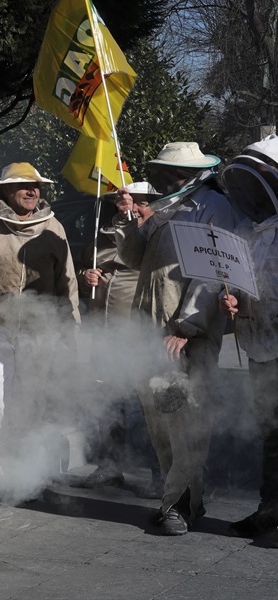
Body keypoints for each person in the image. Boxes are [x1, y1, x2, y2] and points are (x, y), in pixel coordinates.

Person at [113, 141, 241, 536]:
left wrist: (186, 327)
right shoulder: (167, 208)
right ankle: (182, 499)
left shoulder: (213, 209)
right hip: (151, 332)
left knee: (185, 419)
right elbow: (134, 260)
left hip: (184, 338)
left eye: (174, 173)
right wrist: (131, 220)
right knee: (160, 421)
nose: (167, 178)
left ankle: (179, 505)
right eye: (164, 172)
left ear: (195, 173)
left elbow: (214, 271)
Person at [0, 162, 80, 441]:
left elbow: (67, 281)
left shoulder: (53, 227)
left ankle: (24, 464)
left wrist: (72, 329)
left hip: (40, 329)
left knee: (30, 398)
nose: (32, 191)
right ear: (7, 191)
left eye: (35, 186)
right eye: (24, 185)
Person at [76, 183, 162, 497]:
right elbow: (86, 273)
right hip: (104, 333)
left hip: (141, 334)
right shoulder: (104, 236)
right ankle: (110, 467)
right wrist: (88, 276)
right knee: (110, 403)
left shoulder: (155, 236)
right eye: (130, 202)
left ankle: (161, 473)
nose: (134, 208)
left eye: (141, 203)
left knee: (149, 406)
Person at [218, 135, 278, 546]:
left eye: (261, 181)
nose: (253, 191)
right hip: (261, 345)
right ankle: (268, 512)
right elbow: (244, 282)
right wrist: (232, 300)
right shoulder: (247, 230)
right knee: (270, 433)